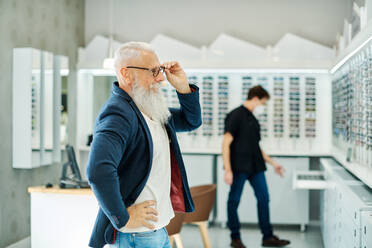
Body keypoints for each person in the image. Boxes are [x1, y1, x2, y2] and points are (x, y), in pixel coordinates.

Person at [86, 42, 202, 248]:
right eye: (154, 71)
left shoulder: (149, 107)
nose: (161, 78)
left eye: (160, 70)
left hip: (155, 232)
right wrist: (123, 218)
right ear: (126, 74)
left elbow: (191, 121)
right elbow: (98, 171)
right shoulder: (117, 114)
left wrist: (183, 86)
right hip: (136, 235)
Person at [222, 85, 291, 248]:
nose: (263, 107)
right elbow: (225, 144)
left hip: (256, 167)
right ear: (255, 99)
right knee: (234, 201)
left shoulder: (253, 119)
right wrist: (228, 170)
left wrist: (274, 163)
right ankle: (235, 237)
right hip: (239, 167)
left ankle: (267, 236)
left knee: (264, 198)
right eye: (263, 103)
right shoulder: (235, 116)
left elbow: (256, 147)